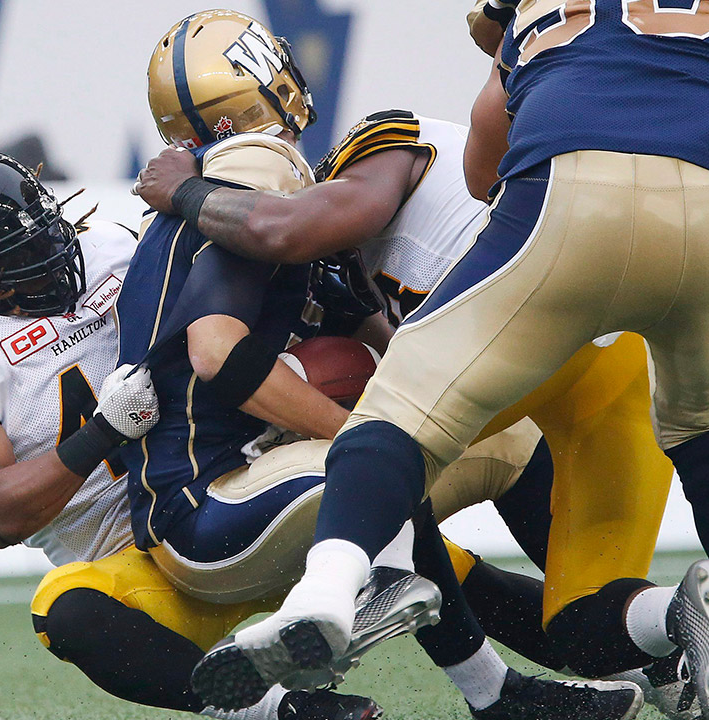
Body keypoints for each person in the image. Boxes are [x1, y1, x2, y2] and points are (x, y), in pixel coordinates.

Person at [200, 0, 709, 718]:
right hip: (689, 256)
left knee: (394, 419)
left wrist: (186, 191)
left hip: (560, 255)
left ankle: (329, 589)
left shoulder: (384, 139)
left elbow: (478, 172)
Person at [119, 10, 642, 720]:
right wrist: (358, 434)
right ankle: (369, 592)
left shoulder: (222, 197)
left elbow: (384, 351)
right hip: (209, 508)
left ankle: (532, 671)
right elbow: (215, 351)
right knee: (383, 449)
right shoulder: (256, 167)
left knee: (494, 442)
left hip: (233, 488)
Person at [0, 149, 385, 720]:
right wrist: (102, 433)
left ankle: (459, 663)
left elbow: (231, 310)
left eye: (48, 231)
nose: (53, 253)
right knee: (67, 608)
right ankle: (279, 710)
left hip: (243, 481)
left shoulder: (115, 245)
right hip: (147, 561)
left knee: (392, 490)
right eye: (22, 251)